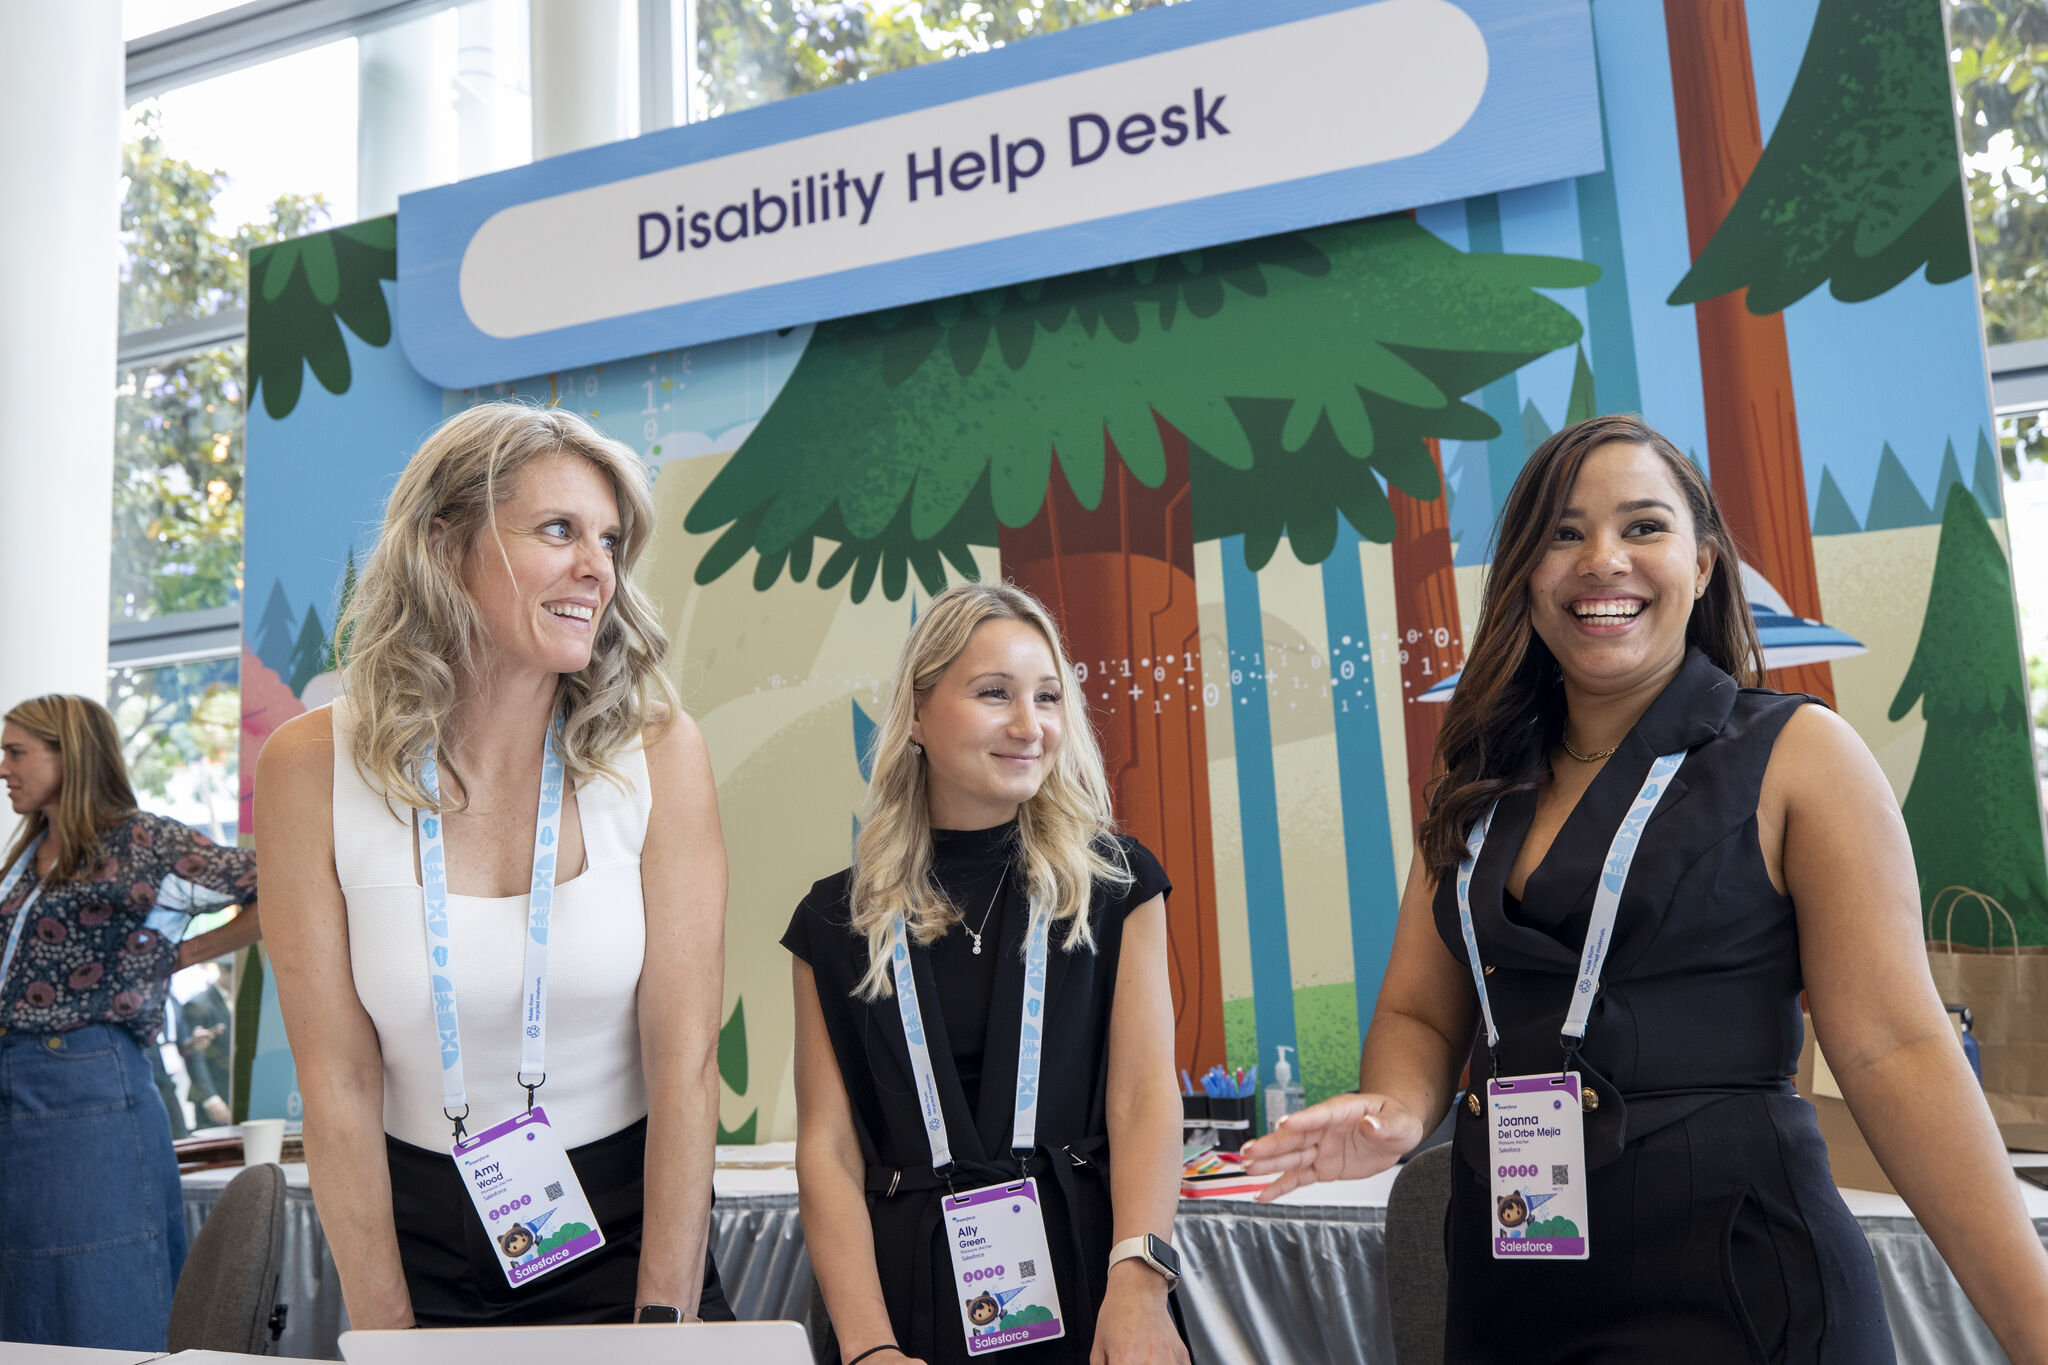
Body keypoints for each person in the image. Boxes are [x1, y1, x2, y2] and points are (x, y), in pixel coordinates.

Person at [1242, 414, 2048, 1363]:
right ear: (1524, 575)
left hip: (1737, 1281)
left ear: (1704, 564)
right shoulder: (1474, 781)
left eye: (1643, 527)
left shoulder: (1797, 753)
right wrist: (1394, 1109)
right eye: (1563, 533)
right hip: (1512, 1276)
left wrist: (2035, 1324)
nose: (1602, 561)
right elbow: (1423, 1014)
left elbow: (1895, 1050)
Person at [257, 402, 732, 1327]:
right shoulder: (309, 765)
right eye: (558, 530)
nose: (596, 567)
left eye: (607, 539)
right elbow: (338, 1082)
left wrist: (662, 1320)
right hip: (413, 1239)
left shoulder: (658, 751)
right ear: (444, 545)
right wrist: (387, 1331)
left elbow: (688, 1062)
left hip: (634, 1232)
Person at [786, 582, 1191, 1365]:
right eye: (993, 693)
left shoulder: (1114, 883)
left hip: (1091, 1283)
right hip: (903, 1302)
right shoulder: (835, 921)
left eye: (1047, 696)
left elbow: (1144, 1095)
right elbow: (828, 1149)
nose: (1028, 724)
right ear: (917, 714)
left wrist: (1140, 1287)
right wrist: (869, 1348)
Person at [0, 693, 260, 1349]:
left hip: (87, 1086)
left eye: (15, 752)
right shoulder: (34, 853)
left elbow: (279, 881)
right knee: (25, 1290)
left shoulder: (142, 840)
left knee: (99, 1290)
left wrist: (184, 952)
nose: (4, 768)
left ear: (70, 753)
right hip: (19, 1084)